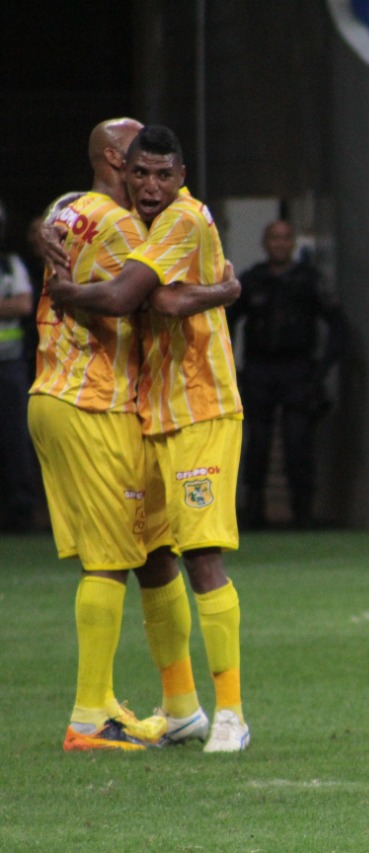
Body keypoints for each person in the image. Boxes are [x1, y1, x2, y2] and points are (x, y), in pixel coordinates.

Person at [31, 118, 238, 751]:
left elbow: (49, 223)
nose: (147, 180)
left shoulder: (69, 212)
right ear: (116, 160)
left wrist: (40, 240)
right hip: (96, 399)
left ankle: (181, 708)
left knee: (153, 553)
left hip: (65, 395)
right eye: (136, 166)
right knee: (114, 559)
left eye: (160, 171)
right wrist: (229, 286)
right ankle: (90, 715)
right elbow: (138, 299)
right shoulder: (129, 227)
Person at [229, 220, 346, 529]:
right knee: (258, 444)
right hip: (259, 370)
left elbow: (338, 325)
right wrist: (230, 367)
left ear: (292, 243)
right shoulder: (252, 281)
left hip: (298, 371)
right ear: (265, 243)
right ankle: (253, 513)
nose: (279, 244)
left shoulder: (308, 280)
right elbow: (226, 323)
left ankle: (302, 514)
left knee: (298, 444)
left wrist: (320, 369)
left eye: (285, 238)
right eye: (273, 238)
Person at [0, 197, 39, 533]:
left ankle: (21, 511)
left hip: (10, 365)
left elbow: (25, 305)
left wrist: (11, 306)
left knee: (16, 439)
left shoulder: (11, 264)